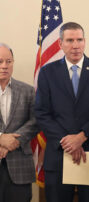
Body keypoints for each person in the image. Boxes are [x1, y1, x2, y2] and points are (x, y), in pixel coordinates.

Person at [34, 22, 89, 202]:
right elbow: (42, 114)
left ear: (85, 41)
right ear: (60, 44)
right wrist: (68, 142)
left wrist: (82, 136)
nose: (75, 45)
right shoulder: (47, 72)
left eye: (79, 40)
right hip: (59, 154)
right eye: (70, 40)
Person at [0, 43, 38, 202]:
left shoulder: (27, 91)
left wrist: (13, 140)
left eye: (9, 61)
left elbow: (36, 120)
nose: (4, 66)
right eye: (0, 61)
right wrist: (1, 138)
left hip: (19, 167)